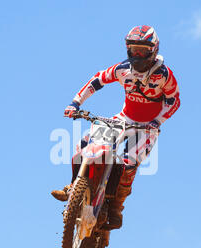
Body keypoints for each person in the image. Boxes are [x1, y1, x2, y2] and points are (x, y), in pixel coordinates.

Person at [51, 25, 180, 230]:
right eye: (133, 49)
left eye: (142, 50)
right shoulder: (123, 69)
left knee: (129, 164)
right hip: (124, 118)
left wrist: (157, 121)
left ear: (153, 50)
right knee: (86, 143)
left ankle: (116, 208)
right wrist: (76, 103)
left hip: (147, 126)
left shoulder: (164, 75)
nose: (137, 55)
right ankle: (73, 187)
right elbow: (98, 80)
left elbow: (173, 101)